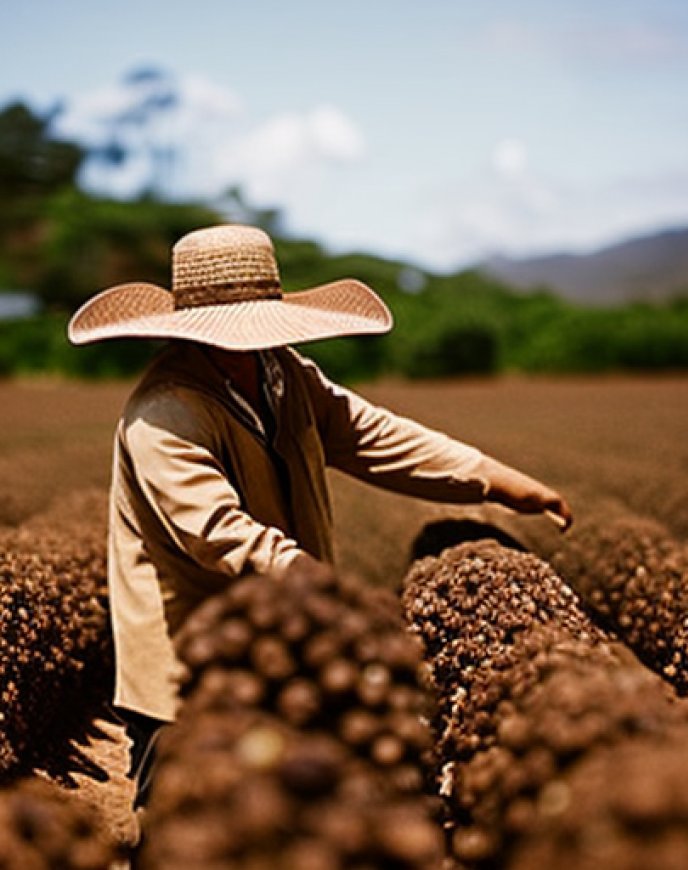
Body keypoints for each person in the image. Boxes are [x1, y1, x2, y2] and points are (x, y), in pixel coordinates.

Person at [67, 223, 572, 805]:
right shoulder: (163, 415)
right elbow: (220, 534)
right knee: (187, 815)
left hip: (284, 642)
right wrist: (332, 598)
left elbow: (374, 435)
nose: (253, 338)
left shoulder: (285, 376)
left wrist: (495, 479)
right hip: (191, 661)